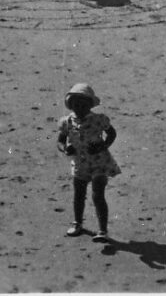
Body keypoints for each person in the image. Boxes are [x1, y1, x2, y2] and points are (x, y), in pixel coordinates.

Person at [56, 83, 120, 242]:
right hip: (80, 164)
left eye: (83, 105)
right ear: (71, 105)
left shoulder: (99, 120)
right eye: (76, 105)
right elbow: (60, 141)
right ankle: (77, 223)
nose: (80, 108)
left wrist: (103, 146)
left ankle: (102, 230)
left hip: (100, 162)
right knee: (79, 195)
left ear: (90, 105)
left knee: (98, 195)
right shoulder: (67, 122)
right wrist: (65, 149)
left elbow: (111, 133)